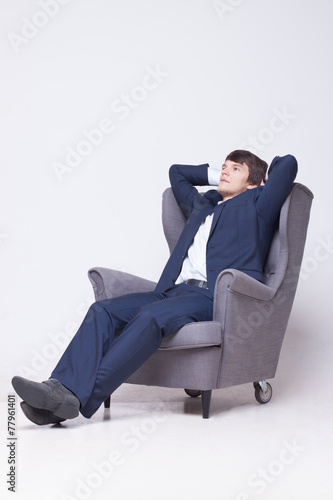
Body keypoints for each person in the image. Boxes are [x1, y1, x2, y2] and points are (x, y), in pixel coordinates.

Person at [12, 150, 298, 425]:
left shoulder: (258, 204)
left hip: (210, 297)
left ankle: (68, 398)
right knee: (102, 311)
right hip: (171, 291)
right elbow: (177, 174)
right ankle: (59, 388)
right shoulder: (204, 205)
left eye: (236, 168)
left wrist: (263, 181)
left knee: (150, 318)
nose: (226, 170)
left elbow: (288, 164)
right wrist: (218, 176)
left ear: (253, 182)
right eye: (224, 165)